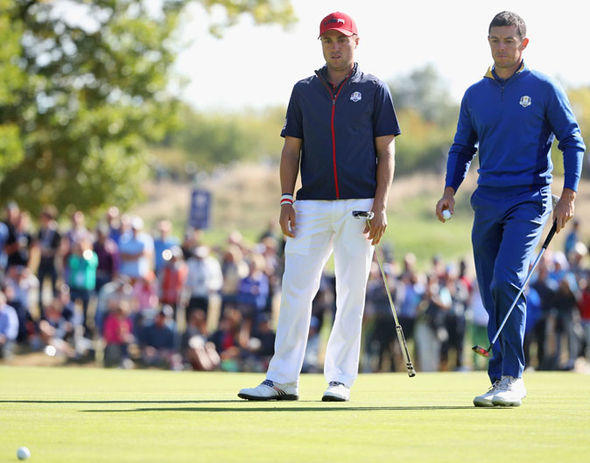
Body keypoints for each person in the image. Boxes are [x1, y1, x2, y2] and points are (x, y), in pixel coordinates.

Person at [239, 11, 400, 402]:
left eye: (342, 39)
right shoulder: (303, 89)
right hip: (309, 204)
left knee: (351, 294)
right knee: (296, 290)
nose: (335, 46)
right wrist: (285, 198)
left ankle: (340, 379)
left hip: (359, 205)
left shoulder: (375, 89)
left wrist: (381, 206)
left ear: (356, 42)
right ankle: (281, 379)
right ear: (322, 44)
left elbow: (387, 151)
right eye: (328, 40)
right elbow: (290, 148)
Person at [435, 11, 585, 407]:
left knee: (508, 280)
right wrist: (449, 190)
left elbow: (572, 141)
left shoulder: (543, 88)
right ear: (488, 42)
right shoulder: (474, 94)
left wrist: (568, 194)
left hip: (530, 200)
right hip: (486, 201)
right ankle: (498, 375)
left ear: (523, 44)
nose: (501, 48)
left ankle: (512, 377)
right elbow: (461, 147)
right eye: (494, 40)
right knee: (490, 293)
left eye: (508, 41)